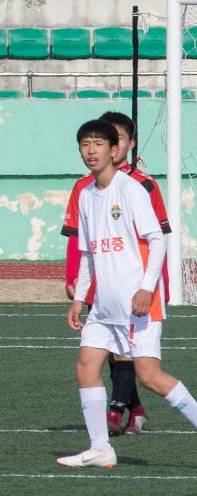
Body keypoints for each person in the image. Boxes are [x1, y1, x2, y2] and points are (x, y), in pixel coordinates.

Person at [59, 119, 197, 468]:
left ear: (114, 149)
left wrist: (146, 288)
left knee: (150, 377)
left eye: (98, 144)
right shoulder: (86, 194)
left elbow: (157, 240)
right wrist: (80, 298)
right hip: (104, 307)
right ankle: (100, 448)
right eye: (85, 144)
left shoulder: (131, 189)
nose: (91, 151)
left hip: (137, 304)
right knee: (86, 366)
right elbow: (89, 252)